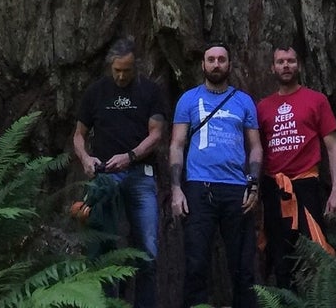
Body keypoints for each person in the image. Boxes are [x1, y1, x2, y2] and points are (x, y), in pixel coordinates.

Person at [73, 37, 169, 308]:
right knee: (102, 248)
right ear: (110, 67)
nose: (122, 75)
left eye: (127, 70)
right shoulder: (96, 92)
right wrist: (85, 158)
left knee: (147, 248)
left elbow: (157, 133)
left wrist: (130, 156)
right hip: (105, 178)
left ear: (135, 66)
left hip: (141, 174)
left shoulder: (149, 91)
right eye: (117, 70)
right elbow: (79, 135)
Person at [169, 43, 262, 308]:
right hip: (199, 188)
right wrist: (177, 189)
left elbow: (255, 147)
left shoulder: (243, 101)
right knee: (196, 263)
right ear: (203, 65)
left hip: (237, 190)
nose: (216, 64)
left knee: (243, 266)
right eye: (211, 59)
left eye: (221, 59)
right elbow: (176, 144)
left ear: (229, 64)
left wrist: (253, 184)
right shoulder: (188, 99)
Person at [256, 44, 336, 288]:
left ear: (299, 65)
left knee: (316, 253)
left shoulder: (316, 100)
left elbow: (333, 147)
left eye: (291, 61)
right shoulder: (262, 107)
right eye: (281, 62)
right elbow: (256, 150)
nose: (286, 66)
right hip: (274, 187)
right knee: (280, 257)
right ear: (272, 68)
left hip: (306, 185)